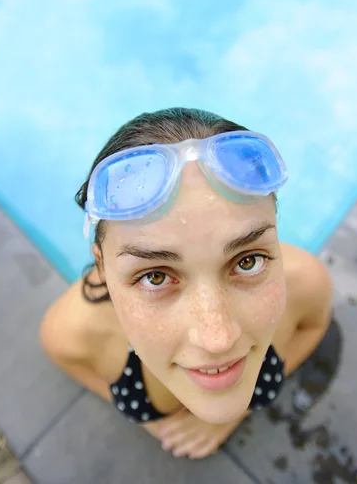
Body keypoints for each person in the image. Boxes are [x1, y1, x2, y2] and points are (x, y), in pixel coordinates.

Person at [40, 107, 333, 460]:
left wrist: (230, 417)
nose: (218, 339)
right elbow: (70, 362)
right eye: (155, 276)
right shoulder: (71, 332)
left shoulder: (306, 280)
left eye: (247, 260)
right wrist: (154, 425)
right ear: (102, 269)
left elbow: (313, 327)